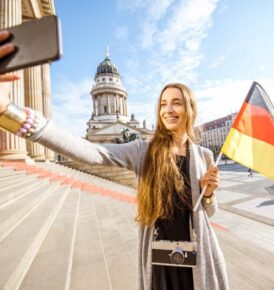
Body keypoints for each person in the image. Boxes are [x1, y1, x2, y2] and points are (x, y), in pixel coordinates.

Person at [0, 31, 229, 290]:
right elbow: (89, 151)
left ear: (190, 109)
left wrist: (209, 195)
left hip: (200, 256)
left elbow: (207, 212)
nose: (168, 109)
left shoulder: (204, 155)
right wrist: (11, 113)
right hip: (162, 259)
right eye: (163, 103)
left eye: (176, 103)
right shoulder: (144, 150)